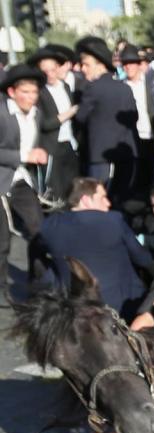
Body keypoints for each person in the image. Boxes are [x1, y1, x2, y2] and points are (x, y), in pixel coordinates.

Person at [38, 178, 152, 317]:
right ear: (86, 200)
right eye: (103, 197)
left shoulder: (49, 226)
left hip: (72, 307)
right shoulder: (113, 220)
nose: (108, 203)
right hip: (119, 306)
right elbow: (143, 259)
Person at [0, 65, 48, 303]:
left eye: (34, 92)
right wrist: (24, 156)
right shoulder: (1, 114)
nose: (31, 97)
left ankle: (37, 286)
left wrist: (38, 154)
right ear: (12, 92)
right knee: (2, 242)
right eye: (25, 92)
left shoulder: (36, 114)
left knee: (38, 229)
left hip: (20, 180)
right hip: (1, 180)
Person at [74, 37, 139, 205]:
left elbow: (80, 117)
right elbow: (134, 116)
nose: (83, 69)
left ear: (100, 65)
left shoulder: (92, 89)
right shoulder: (125, 87)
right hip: (126, 153)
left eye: (87, 65)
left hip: (100, 156)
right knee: (122, 198)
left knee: (99, 197)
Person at [27, 47, 78, 201]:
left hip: (69, 144)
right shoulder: (39, 92)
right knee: (54, 192)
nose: (50, 73)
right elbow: (43, 124)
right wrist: (67, 114)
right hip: (51, 147)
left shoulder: (66, 87)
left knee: (72, 189)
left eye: (53, 69)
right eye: (45, 70)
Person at [119, 44, 154, 197]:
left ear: (138, 64)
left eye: (131, 63)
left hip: (151, 135)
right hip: (132, 138)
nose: (128, 67)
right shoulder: (121, 86)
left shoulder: (149, 83)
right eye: (125, 64)